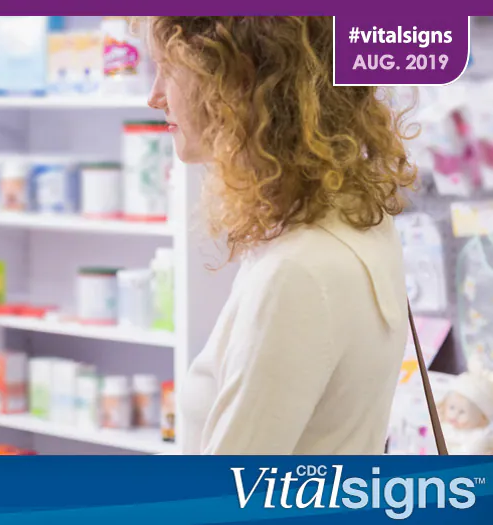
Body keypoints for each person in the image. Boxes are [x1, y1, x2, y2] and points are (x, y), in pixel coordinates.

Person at [143, 16, 416, 454]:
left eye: (168, 70)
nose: (154, 96)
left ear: (237, 80)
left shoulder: (297, 272)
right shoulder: (356, 220)